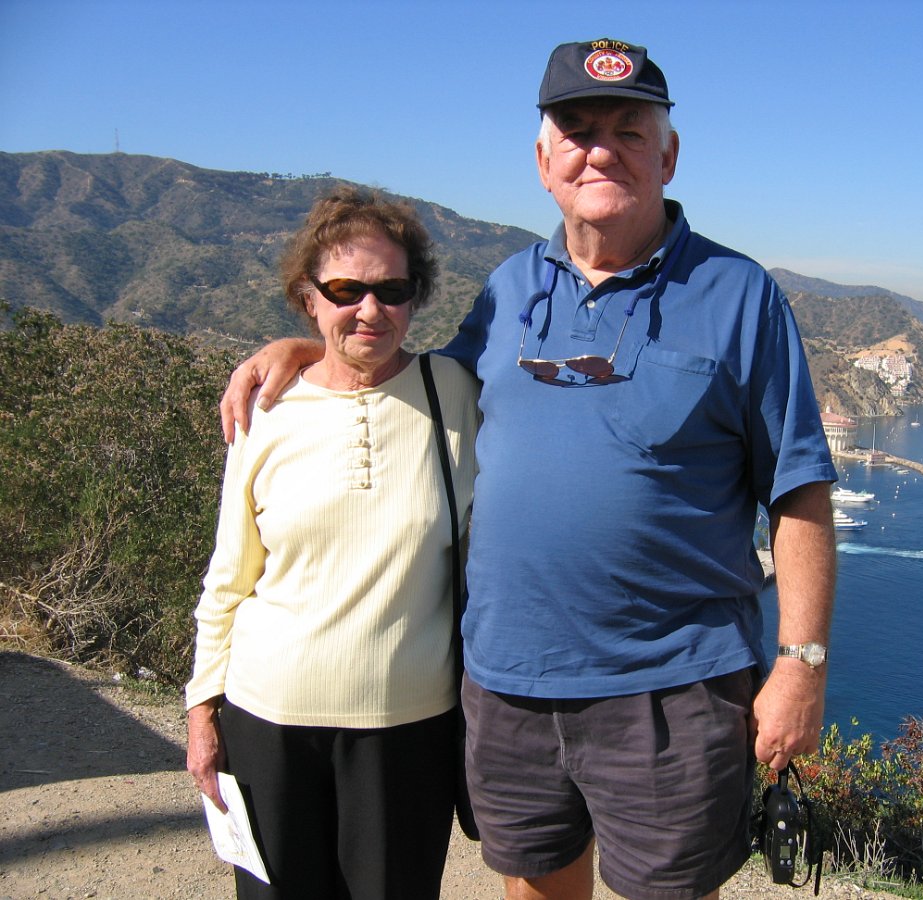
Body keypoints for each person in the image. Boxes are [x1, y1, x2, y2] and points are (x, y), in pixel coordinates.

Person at [221, 38, 837, 900]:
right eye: (577, 130)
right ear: (545, 163)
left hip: (672, 687)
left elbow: (799, 489)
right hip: (505, 684)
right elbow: (416, 378)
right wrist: (311, 348)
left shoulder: (739, 295)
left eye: (629, 129)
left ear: (668, 156)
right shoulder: (511, 288)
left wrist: (801, 664)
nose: (601, 149)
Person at [188, 186, 480, 899]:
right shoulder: (265, 409)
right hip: (267, 718)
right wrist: (201, 710)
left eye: (392, 290)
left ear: (416, 298)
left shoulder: (453, 394)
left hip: (410, 726)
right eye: (346, 290)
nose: (370, 309)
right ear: (308, 297)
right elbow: (230, 573)